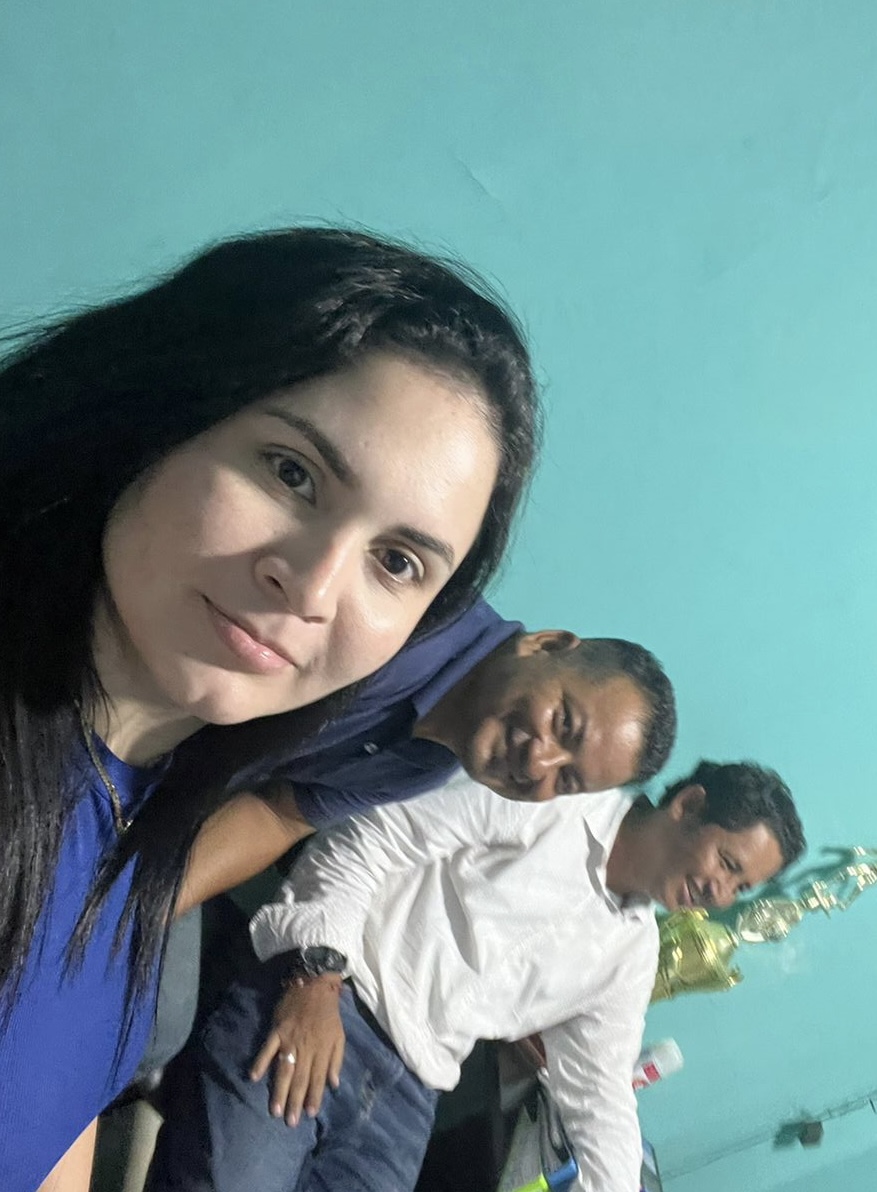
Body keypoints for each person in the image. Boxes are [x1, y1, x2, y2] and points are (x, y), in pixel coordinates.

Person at [0, 226, 540, 1192]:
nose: (315, 586)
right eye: (292, 472)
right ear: (165, 405)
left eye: (396, 562)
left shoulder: (152, 801)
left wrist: (130, 910)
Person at [147, 760, 805, 1192]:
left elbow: (600, 1091)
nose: (720, 892)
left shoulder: (630, 948)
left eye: (739, 887)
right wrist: (315, 979)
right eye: (727, 863)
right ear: (688, 804)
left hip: (407, 1099)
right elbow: (370, 837)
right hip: (331, 1003)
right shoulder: (551, 803)